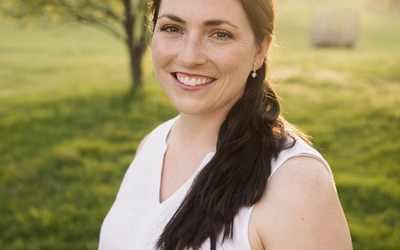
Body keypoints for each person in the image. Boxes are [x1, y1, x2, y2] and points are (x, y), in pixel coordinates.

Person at [99, 0, 353, 249]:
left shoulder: (296, 183)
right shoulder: (151, 144)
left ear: (260, 50)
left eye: (220, 34)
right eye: (172, 28)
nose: (189, 57)